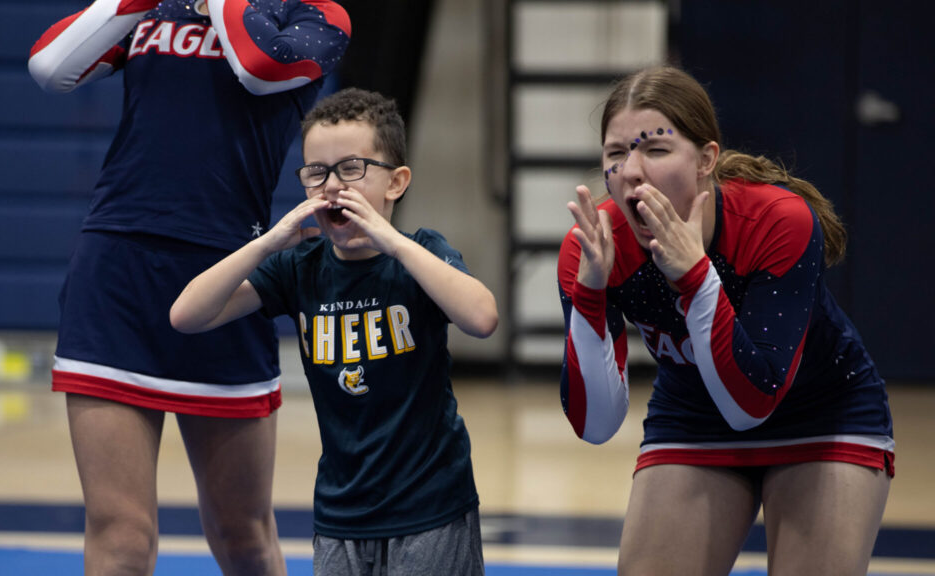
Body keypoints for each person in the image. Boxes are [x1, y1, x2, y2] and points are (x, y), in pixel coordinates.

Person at [27, 0, 350, 574]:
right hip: (117, 275)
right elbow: (51, 66)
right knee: (120, 534)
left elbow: (258, 65)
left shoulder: (316, 17)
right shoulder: (159, 10)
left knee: (243, 534)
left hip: (228, 283)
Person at [557, 66, 893, 576]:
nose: (632, 171)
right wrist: (590, 294)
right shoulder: (594, 248)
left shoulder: (778, 221)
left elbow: (750, 405)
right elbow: (595, 424)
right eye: (616, 153)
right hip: (694, 416)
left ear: (706, 160)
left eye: (656, 149)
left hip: (824, 412)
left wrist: (693, 277)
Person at [171, 87, 496, 576]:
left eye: (351, 169)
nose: (332, 187)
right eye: (316, 173)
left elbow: (482, 317)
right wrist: (268, 243)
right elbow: (187, 314)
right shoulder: (297, 268)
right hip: (341, 515)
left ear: (396, 181)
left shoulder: (421, 252)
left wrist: (394, 243)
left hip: (430, 507)